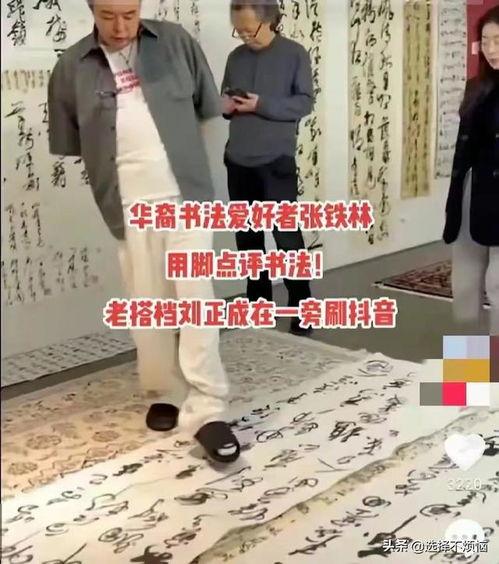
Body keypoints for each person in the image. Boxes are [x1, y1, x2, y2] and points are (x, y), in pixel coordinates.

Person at [47, 0, 240, 463]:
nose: (120, 27)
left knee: (195, 297)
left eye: (129, 14)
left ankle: (208, 407)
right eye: (108, 15)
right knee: (149, 302)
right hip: (128, 205)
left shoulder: (177, 43)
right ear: (91, 9)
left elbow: (207, 108)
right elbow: (72, 141)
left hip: (186, 196)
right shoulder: (71, 67)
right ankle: (164, 392)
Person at [221, 0, 315, 337]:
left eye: (250, 30)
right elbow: (224, 102)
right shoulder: (236, 57)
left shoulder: (294, 54)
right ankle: (257, 304)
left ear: (270, 20)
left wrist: (260, 104)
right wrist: (226, 105)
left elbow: (304, 102)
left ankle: (302, 307)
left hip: (276, 161)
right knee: (248, 239)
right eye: (239, 31)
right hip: (238, 159)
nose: (245, 37)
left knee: (287, 238)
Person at [443, 5, 499, 335]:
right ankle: (468, 363)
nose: (491, 49)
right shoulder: (475, 87)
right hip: (472, 194)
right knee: (464, 286)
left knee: (498, 284)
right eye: (486, 41)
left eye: (498, 40)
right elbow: (463, 151)